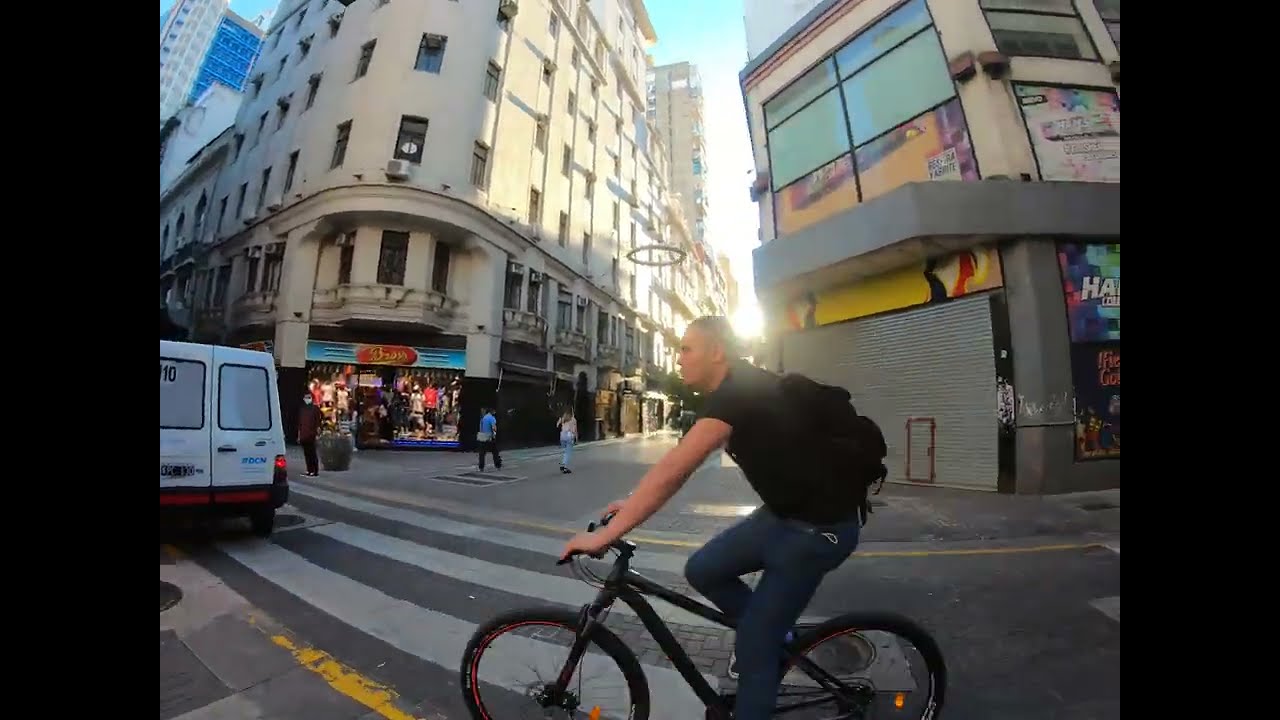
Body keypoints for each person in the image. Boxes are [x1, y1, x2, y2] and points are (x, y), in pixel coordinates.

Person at [559, 316, 864, 719]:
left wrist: (605, 535)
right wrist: (630, 502)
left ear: (717, 352)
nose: (679, 359)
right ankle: (779, 636)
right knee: (704, 569)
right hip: (781, 516)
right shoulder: (735, 389)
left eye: (687, 349)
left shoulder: (739, 391)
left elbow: (676, 470)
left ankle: (765, 649)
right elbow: (676, 461)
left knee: (755, 644)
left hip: (819, 531)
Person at [297, 394, 322, 477]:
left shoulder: (315, 409)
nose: (307, 399)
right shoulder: (302, 409)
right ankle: (309, 469)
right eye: (306, 398)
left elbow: (318, 421)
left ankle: (315, 470)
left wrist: (317, 432)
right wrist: (299, 434)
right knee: (307, 453)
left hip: (311, 434)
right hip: (304, 434)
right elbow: (300, 423)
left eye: (309, 398)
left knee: (312, 453)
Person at [477, 406, 501, 471]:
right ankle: (498, 465)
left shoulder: (483, 418)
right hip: (489, 437)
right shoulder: (492, 418)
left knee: (482, 453)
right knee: (495, 452)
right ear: (492, 411)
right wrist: (494, 435)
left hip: (482, 437)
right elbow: (494, 428)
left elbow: (480, 428)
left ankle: (481, 467)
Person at [556, 408, 578, 474]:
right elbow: (575, 430)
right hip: (569, 435)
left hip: (562, 435)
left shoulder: (562, 418)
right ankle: (564, 466)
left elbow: (557, 425)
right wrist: (576, 438)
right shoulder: (573, 419)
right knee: (568, 452)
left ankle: (563, 464)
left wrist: (562, 423)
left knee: (565, 451)